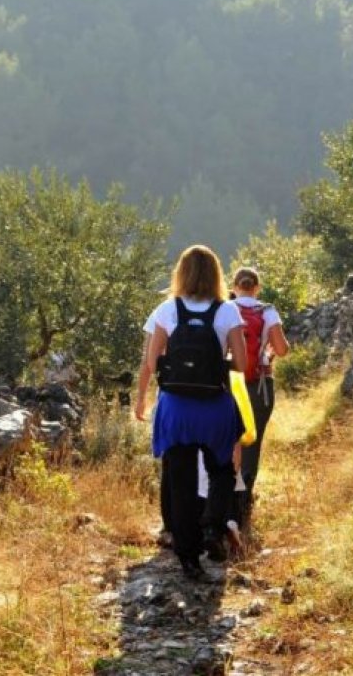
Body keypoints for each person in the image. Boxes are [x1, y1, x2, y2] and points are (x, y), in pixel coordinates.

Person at [135, 245, 248, 582]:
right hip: (215, 406)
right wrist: (217, 364)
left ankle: (188, 557)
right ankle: (213, 527)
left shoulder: (168, 309)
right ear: (216, 274)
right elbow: (243, 364)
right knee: (221, 471)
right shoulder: (228, 311)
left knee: (181, 480)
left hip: (176, 407)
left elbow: (153, 361)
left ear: (181, 273)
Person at [230, 267, 290, 529]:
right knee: (251, 444)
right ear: (257, 287)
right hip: (259, 385)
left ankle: (221, 502)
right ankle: (242, 508)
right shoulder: (268, 311)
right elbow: (282, 349)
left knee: (226, 441)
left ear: (234, 286)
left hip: (228, 384)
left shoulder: (225, 308)